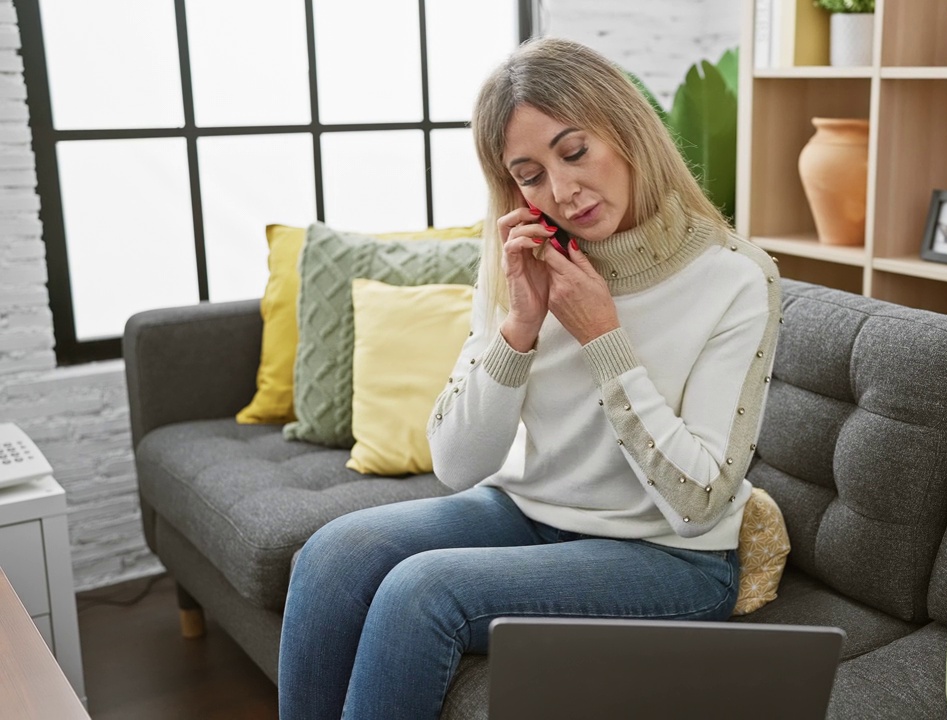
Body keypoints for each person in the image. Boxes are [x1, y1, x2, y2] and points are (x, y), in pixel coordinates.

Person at [278, 37, 782, 720]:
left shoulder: (735, 277)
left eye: (574, 152)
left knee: (421, 593)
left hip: (673, 558)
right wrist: (519, 327)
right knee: (331, 556)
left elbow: (696, 502)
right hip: (532, 513)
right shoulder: (526, 259)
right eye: (530, 174)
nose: (562, 190)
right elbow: (458, 465)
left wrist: (604, 337)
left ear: (627, 131)